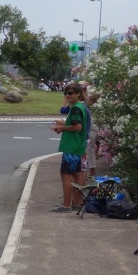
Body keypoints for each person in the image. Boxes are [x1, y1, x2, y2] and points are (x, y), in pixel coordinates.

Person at [51, 82, 88, 212]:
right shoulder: (80, 107)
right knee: (77, 174)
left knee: (66, 174)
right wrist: (64, 124)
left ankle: (66, 205)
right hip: (78, 146)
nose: (67, 95)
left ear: (78, 94)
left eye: (70, 93)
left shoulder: (76, 108)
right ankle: (76, 203)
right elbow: (76, 124)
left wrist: (61, 128)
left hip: (71, 147)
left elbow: (78, 127)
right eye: (66, 93)